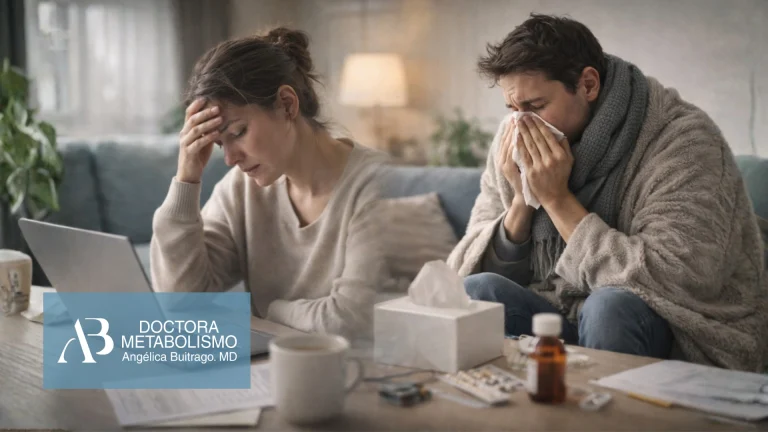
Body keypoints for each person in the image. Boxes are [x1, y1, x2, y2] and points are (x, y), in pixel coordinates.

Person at [448, 14, 767, 371]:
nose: (522, 124)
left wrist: (556, 200)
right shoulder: (514, 140)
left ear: (588, 85)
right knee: (478, 292)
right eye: (512, 109)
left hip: (674, 326)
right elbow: (462, 269)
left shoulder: (683, 142)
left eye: (536, 107)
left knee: (609, 307)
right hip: (557, 310)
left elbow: (680, 279)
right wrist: (523, 199)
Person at [150, 28, 387, 339]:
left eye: (237, 133)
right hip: (272, 368)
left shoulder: (378, 185)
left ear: (287, 104)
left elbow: (350, 321)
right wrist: (186, 180)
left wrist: (270, 311)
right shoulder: (242, 189)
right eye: (221, 144)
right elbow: (181, 304)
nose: (231, 159)